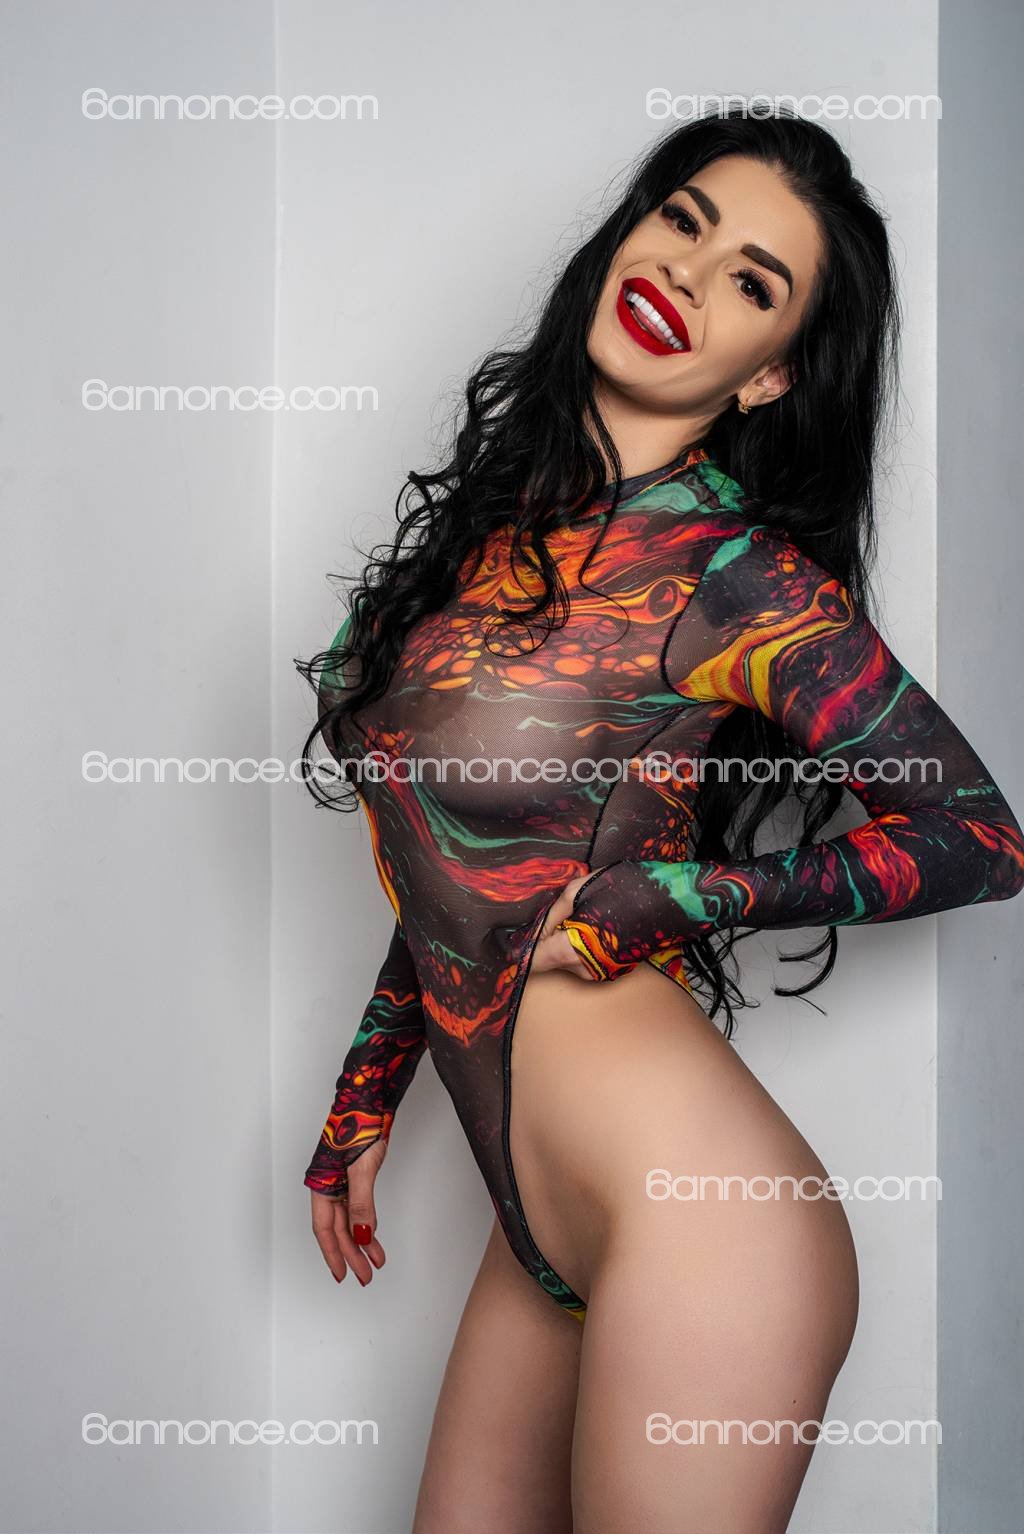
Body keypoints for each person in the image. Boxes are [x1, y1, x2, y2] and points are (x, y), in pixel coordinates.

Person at [295, 106, 1024, 1533]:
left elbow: (982, 835)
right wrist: (364, 1094)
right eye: (683, 219)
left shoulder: (731, 574)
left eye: (753, 280)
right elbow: (459, 859)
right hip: (540, 1233)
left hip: (707, 1224)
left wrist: (683, 898)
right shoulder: (491, 538)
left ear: (772, 372)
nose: (689, 272)